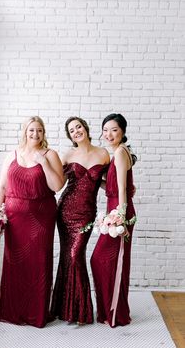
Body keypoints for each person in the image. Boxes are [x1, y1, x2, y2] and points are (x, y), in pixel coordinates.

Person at [0, 116, 64, 328]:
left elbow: (57, 186)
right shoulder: (12, 155)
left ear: (44, 133)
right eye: (32, 130)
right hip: (14, 220)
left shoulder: (50, 154)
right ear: (25, 131)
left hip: (41, 218)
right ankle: (14, 311)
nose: (35, 134)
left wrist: (43, 163)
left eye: (39, 130)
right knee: (15, 263)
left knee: (38, 264)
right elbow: (2, 187)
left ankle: (36, 313)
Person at [51, 116, 110, 325]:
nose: (76, 131)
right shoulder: (67, 155)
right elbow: (58, 184)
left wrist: (123, 190)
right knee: (68, 256)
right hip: (65, 210)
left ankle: (80, 310)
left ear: (85, 128)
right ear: (70, 136)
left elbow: (104, 182)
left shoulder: (103, 154)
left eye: (78, 127)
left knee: (77, 255)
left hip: (86, 213)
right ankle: (66, 309)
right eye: (72, 130)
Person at [91, 113, 137, 328]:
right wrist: (91, 181)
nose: (108, 134)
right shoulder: (118, 153)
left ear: (123, 132)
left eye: (114, 130)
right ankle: (111, 310)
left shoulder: (119, 152)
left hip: (119, 214)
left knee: (104, 259)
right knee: (108, 261)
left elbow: (121, 189)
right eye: (105, 129)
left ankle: (115, 313)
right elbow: (113, 187)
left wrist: (121, 217)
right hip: (116, 210)